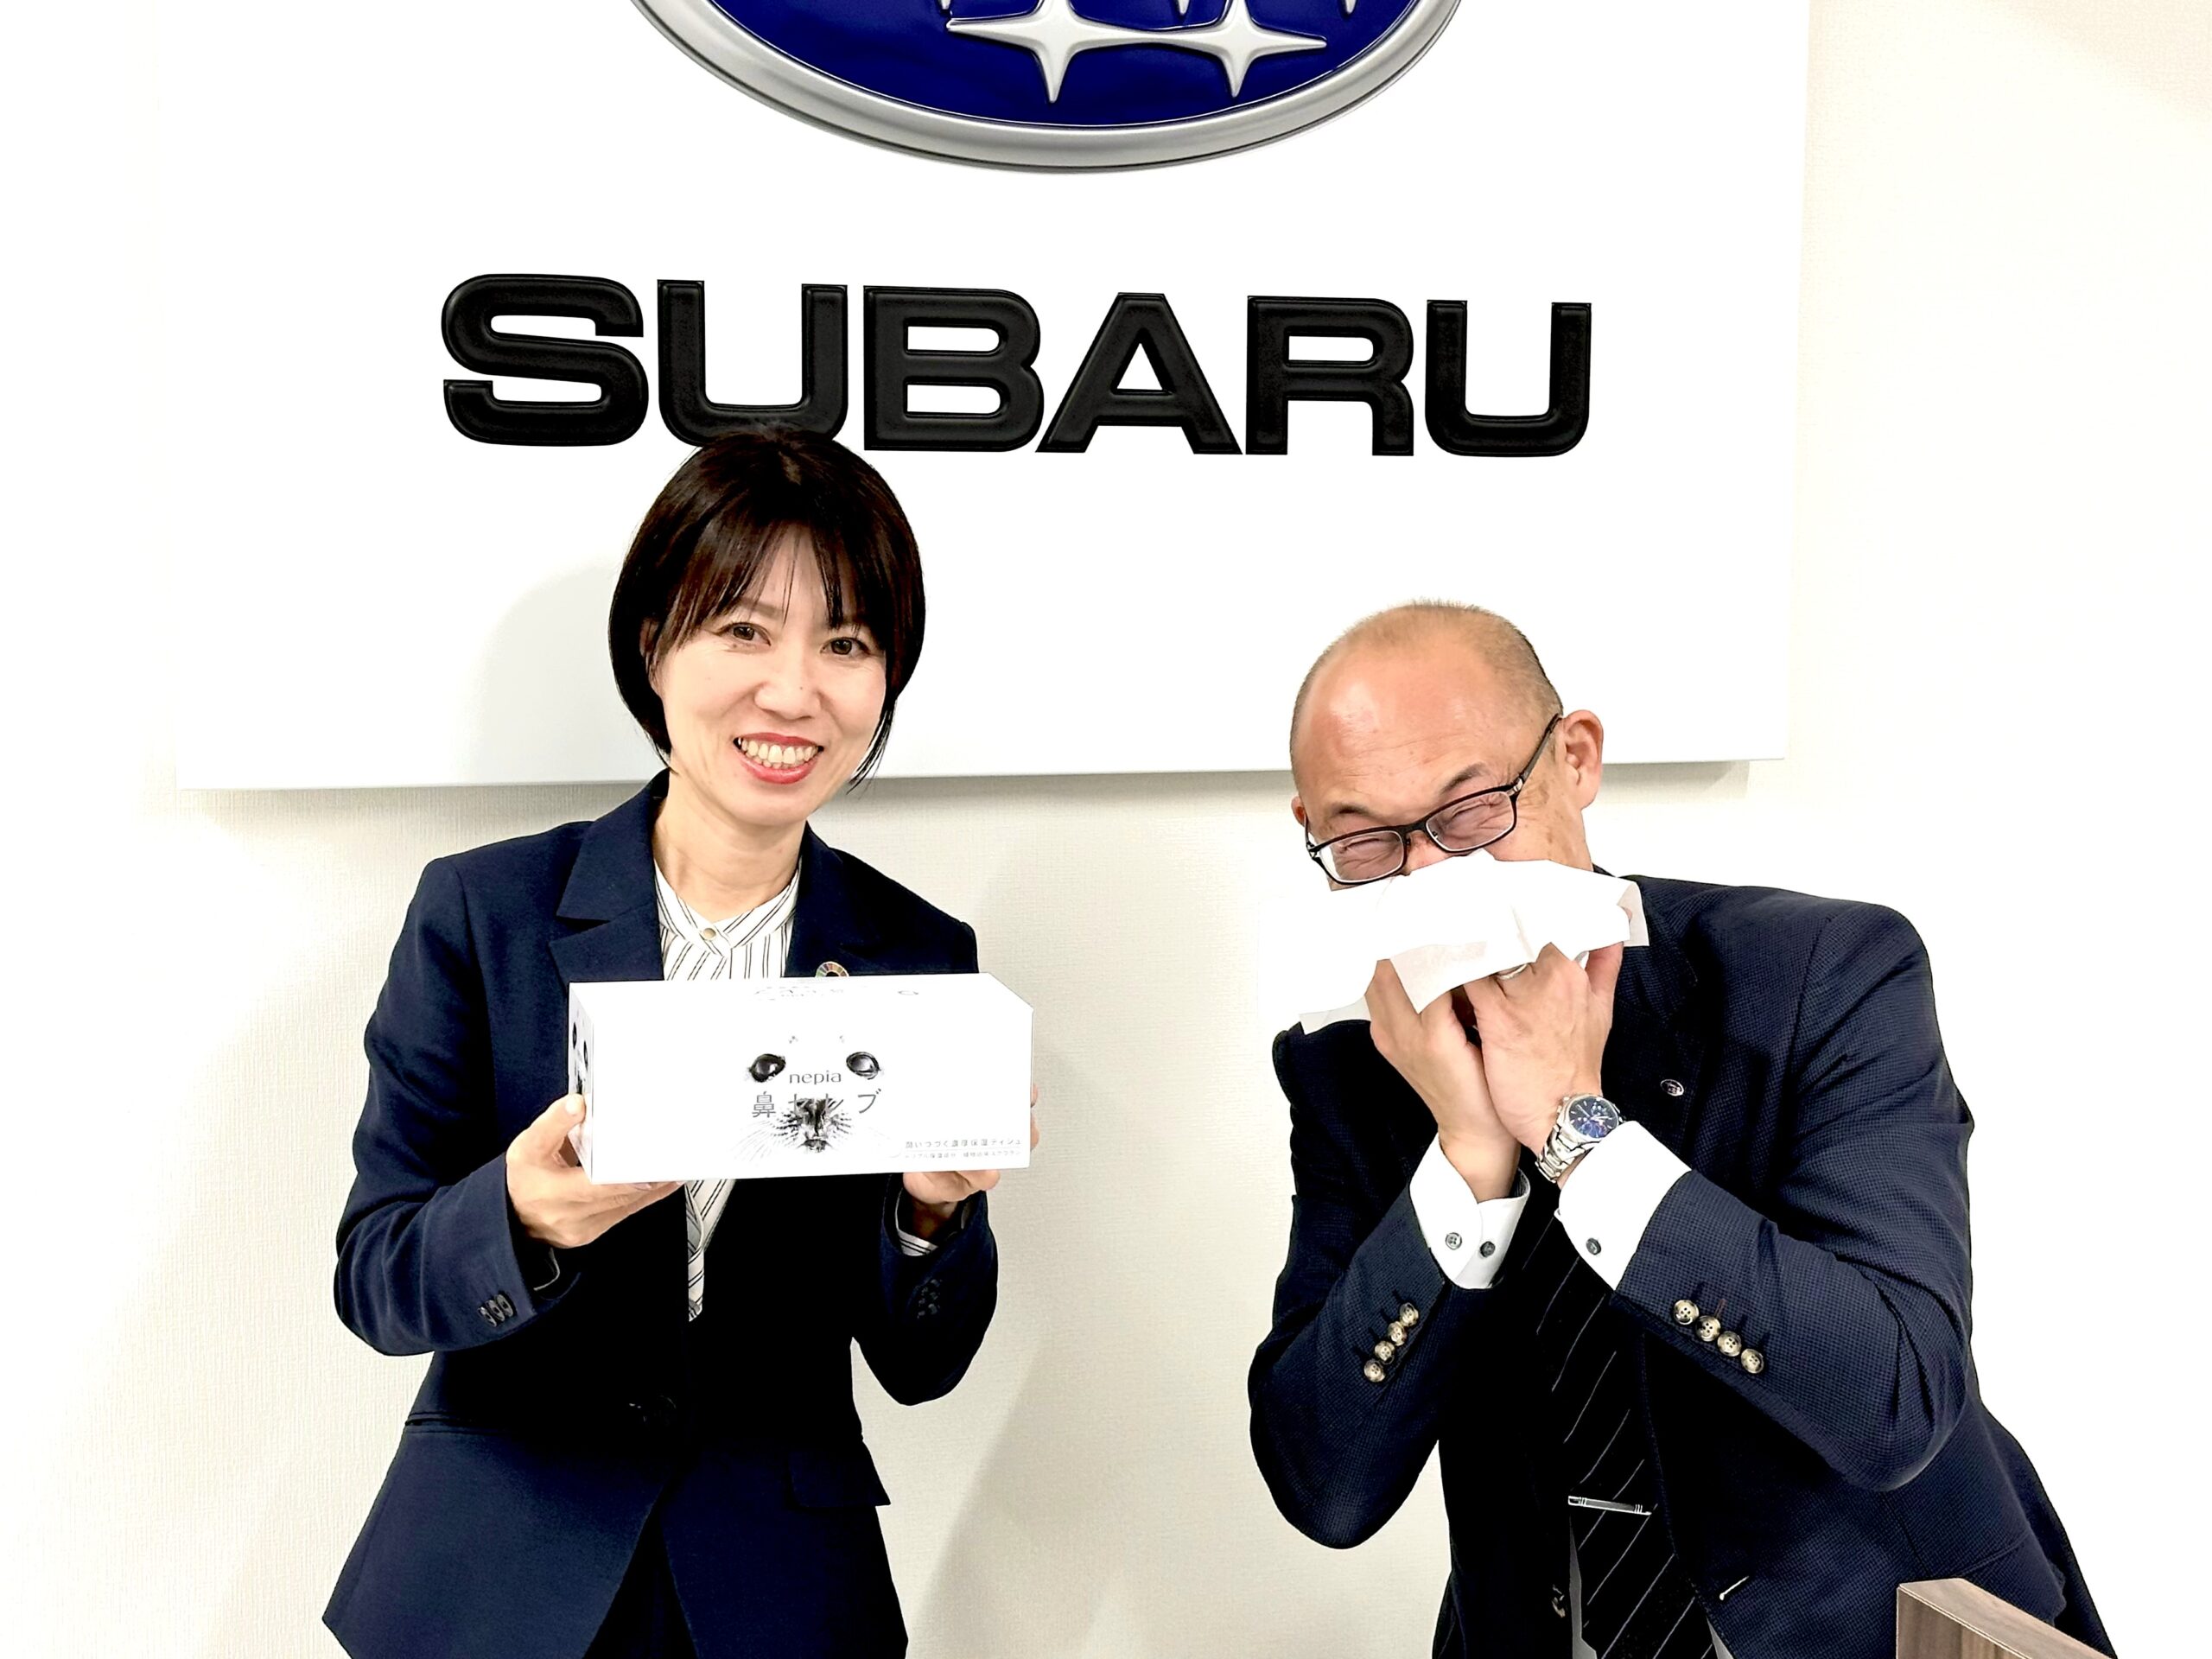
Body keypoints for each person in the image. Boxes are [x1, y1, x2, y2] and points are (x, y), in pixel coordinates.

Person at [1246, 602, 2110, 1659]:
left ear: (1574, 758)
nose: (1429, 878)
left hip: (1881, 1626)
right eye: (1367, 841)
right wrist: (1468, 1161)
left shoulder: (1821, 974)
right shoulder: (1351, 1065)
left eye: (1469, 812)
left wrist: (1573, 1130)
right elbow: (1325, 1488)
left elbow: (1893, 1402)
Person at [325, 429, 1029, 1659]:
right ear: (654, 643)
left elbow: (923, 1364)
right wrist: (522, 1217)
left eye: (847, 644)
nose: (794, 692)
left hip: (781, 1588)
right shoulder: (485, 913)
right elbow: (376, 1278)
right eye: (744, 631)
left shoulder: (917, 952)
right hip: (502, 1568)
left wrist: (929, 1214)